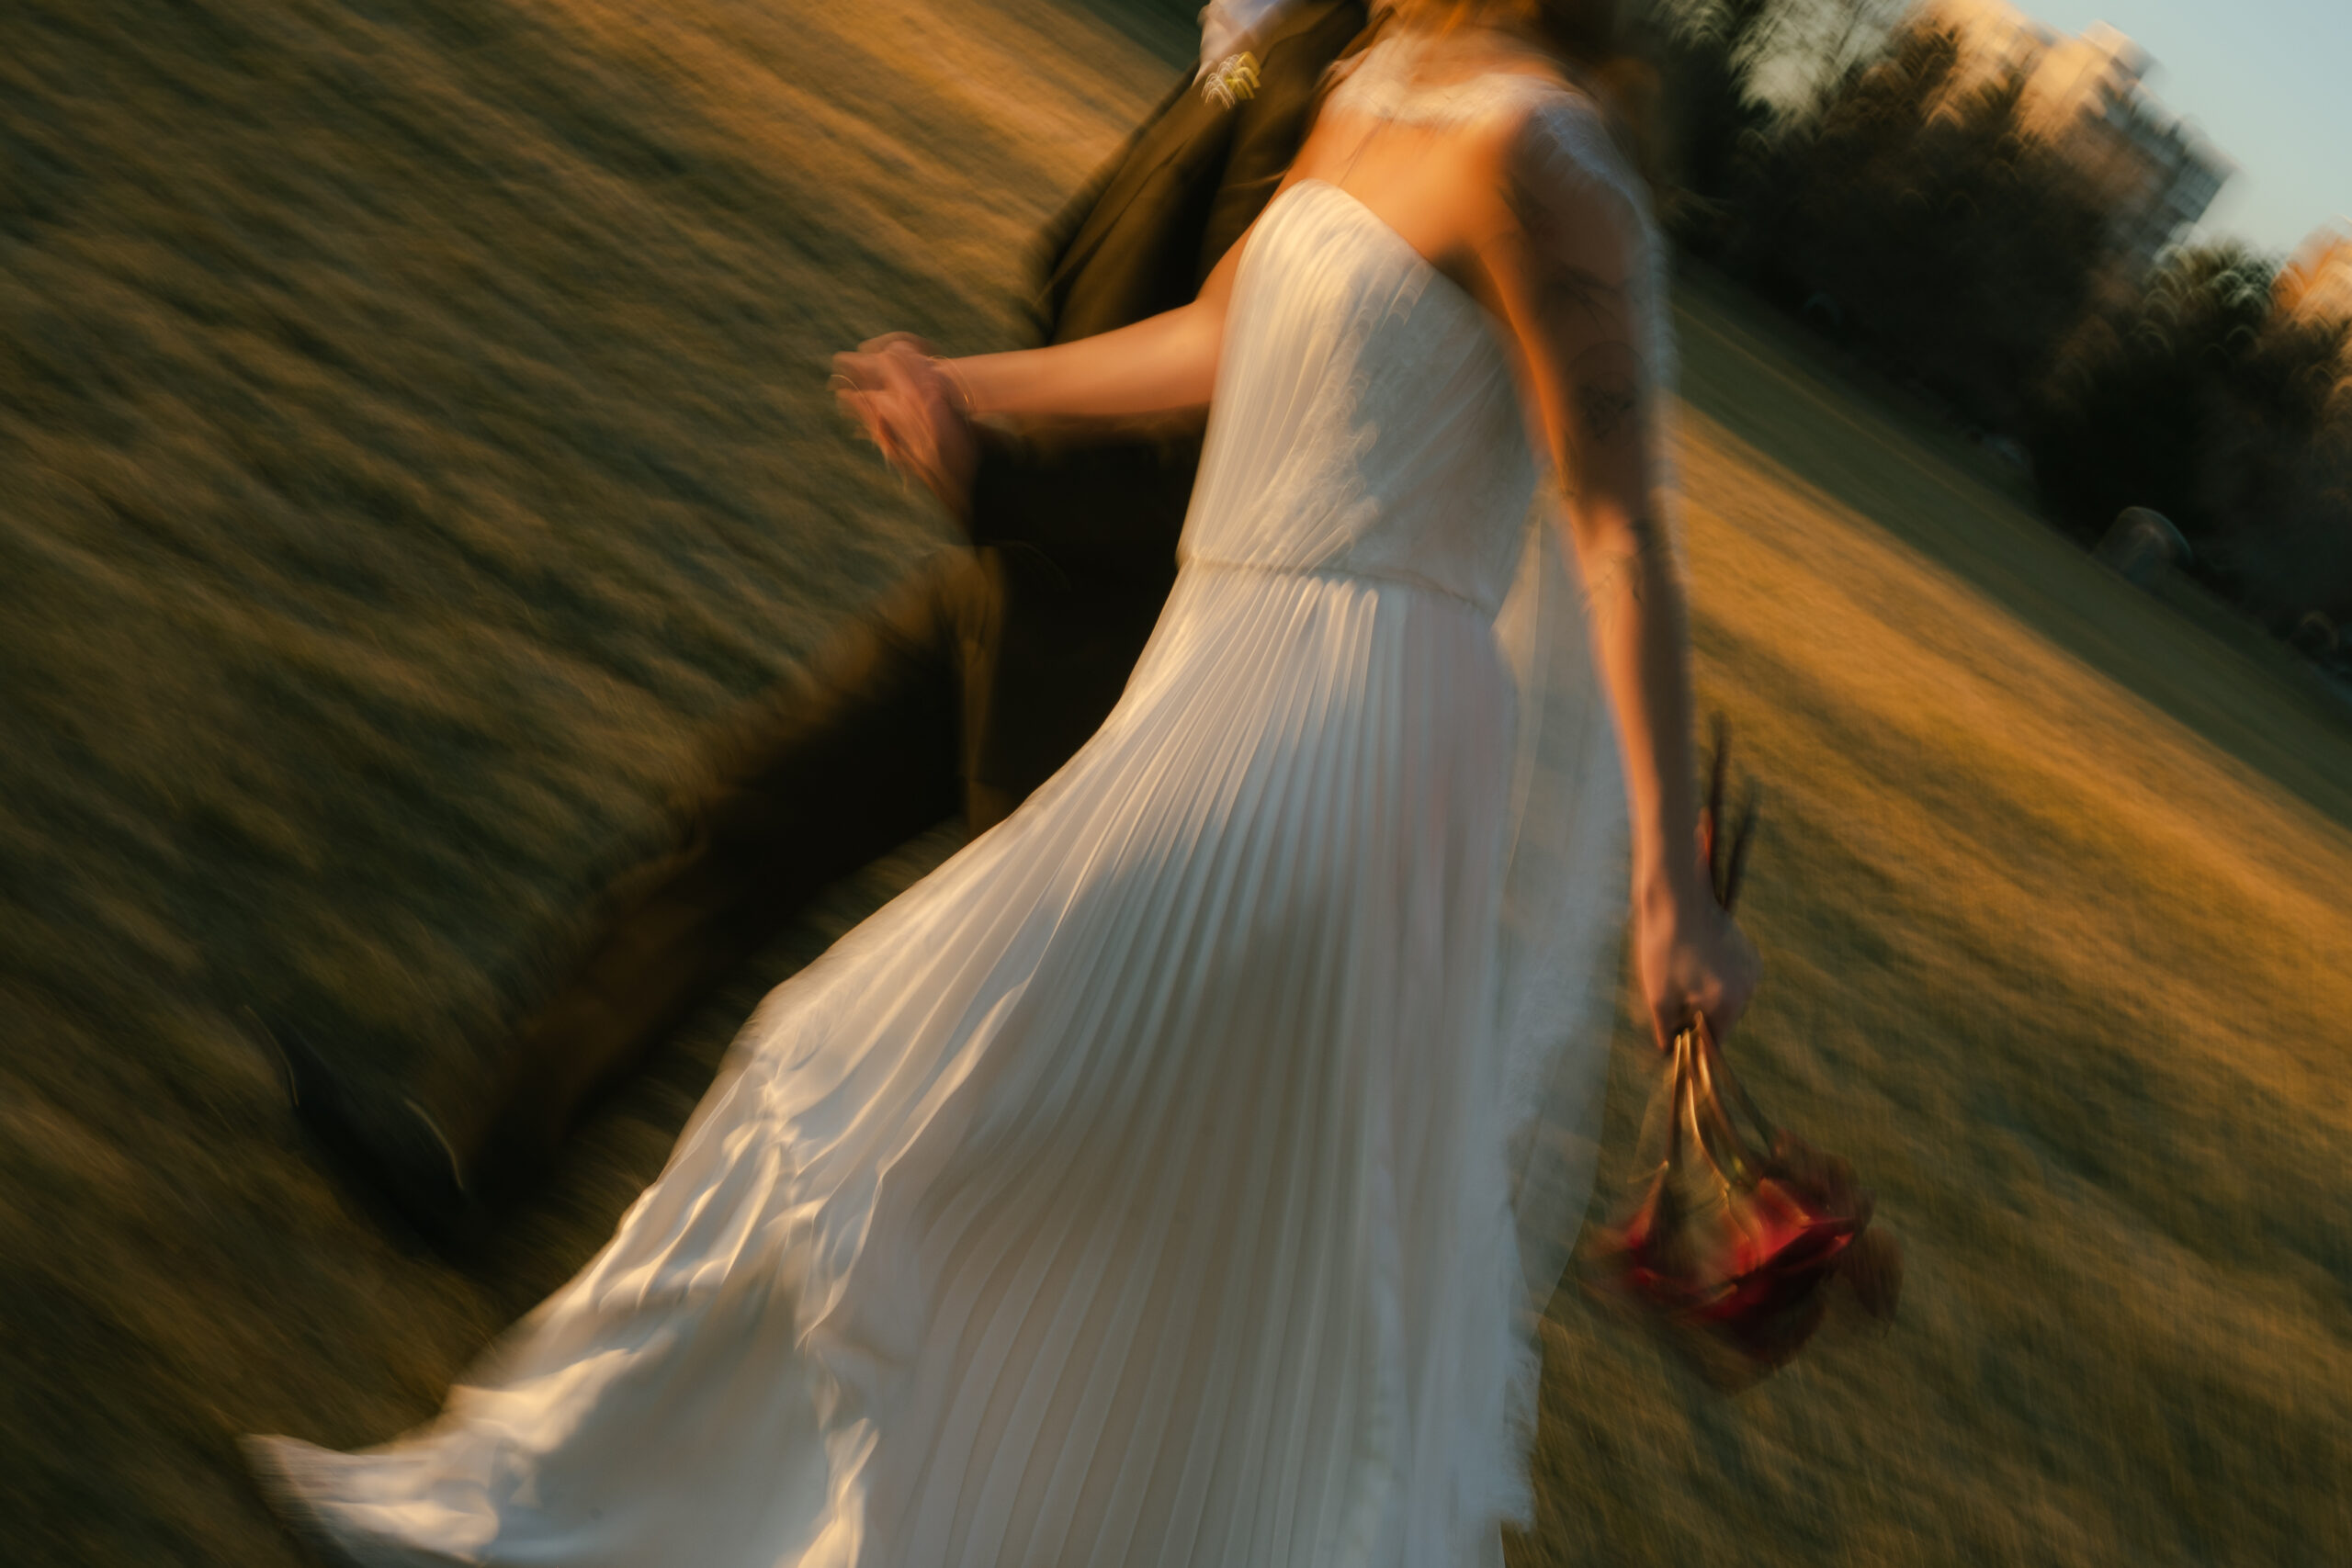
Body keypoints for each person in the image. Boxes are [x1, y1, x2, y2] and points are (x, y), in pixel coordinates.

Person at [247, 2, 1761, 1562]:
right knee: (1095, 1211)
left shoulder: (1543, 154)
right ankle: (592, 1500)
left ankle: (559, 1516)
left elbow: (1618, 527)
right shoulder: (1375, 84)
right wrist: (975, 387)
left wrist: (1668, 883)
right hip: (1211, 666)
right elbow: (1222, 336)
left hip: (1346, 740)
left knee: (877, 1078)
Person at [258, 0, 1374, 1244]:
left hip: (1122, 659)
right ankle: (467, 1167)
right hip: (1025, 581)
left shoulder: (1326, 75)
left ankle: (995, 1371)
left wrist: (987, 468)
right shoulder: (1271, 35)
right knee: (749, 821)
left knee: (1020, 1051)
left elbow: (1223, 428)